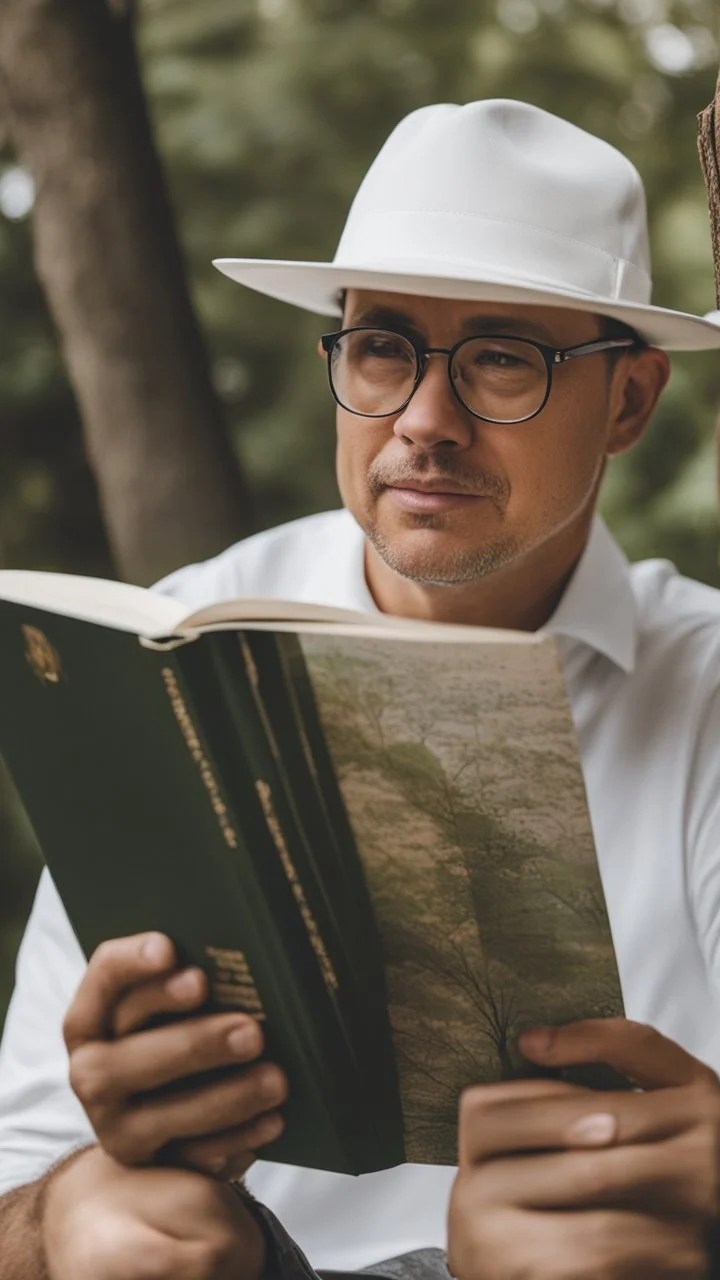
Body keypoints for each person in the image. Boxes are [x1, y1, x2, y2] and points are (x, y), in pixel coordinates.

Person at [2, 98, 720, 1280]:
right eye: (382, 344)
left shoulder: (700, 689)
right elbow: (13, 1186)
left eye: (502, 357)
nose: (423, 422)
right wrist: (69, 1212)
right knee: (119, 1231)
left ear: (630, 402)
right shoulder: (176, 642)